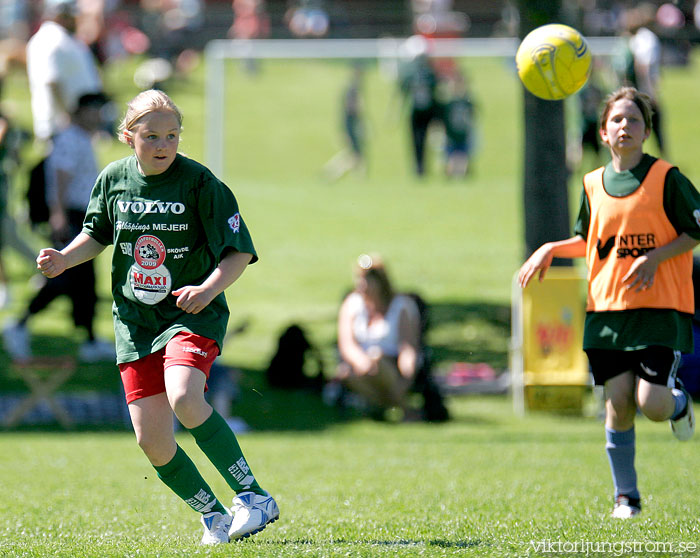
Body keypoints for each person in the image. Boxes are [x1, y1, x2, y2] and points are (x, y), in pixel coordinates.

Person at [36, 89, 279, 544]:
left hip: (191, 315)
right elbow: (95, 235)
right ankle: (214, 516)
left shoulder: (200, 183)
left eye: (171, 135)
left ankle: (253, 496)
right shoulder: (113, 179)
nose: (164, 145)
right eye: (151, 136)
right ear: (129, 136)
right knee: (152, 440)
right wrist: (64, 260)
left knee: (185, 396)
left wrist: (207, 290)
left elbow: (239, 252)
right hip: (134, 321)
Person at [518, 87, 698, 519]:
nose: (625, 126)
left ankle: (679, 404)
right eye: (616, 119)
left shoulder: (666, 178)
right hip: (606, 312)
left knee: (651, 403)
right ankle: (626, 498)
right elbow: (590, 242)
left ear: (646, 131)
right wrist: (550, 248)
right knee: (617, 405)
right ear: (602, 132)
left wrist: (654, 257)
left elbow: (695, 232)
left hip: (658, 309)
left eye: (634, 120)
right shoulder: (592, 183)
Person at [3, 93, 114, 362]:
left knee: (84, 282)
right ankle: (19, 325)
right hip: (70, 216)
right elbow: (60, 177)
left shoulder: (82, 138)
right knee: (64, 277)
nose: (99, 116)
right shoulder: (68, 138)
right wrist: (59, 215)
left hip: (81, 215)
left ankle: (88, 339)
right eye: (95, 110)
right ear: (82, 111)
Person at [334, 253, 422, 419]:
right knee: (353, 372)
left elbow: (408, 348)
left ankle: (383, 407)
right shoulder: (352, 304)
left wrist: (407, 375)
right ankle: (401, 407)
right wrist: (363, 362)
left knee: (377, 357)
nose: (363, 284)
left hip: (391, 365)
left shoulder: (401, 306)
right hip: (360, 367)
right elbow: (347, 344)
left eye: (368, 278)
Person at [25, 0, 102, 143]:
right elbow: (51, 81)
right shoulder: (50, 40)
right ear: (59, 16)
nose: (75, 20)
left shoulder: (62, 38)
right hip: (62, 125)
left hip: (75, 122)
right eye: (70, 16)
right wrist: (68, 117)